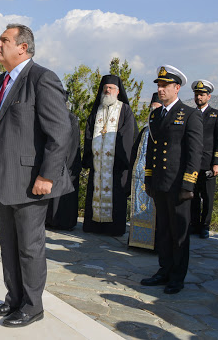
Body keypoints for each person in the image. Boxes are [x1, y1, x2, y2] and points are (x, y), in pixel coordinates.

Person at [0, 24, 73, 327]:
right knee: (8, 243)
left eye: (4, 40)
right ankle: (15, 299)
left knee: (30, 247)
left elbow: (60, 133)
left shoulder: (41, 78)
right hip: (4, 177)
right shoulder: (2, 80)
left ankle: (33, 306)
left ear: (23, 47)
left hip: (31, 180)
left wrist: (47, 175)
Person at [141, 65, 203, 294]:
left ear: (177, 88)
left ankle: (177, 276)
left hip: (178, 184)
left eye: (165, 85)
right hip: (159, 182)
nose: (160, 89)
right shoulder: (156, 114)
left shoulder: (190, 115)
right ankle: (164, 269)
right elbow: (151, 149)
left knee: (179, 233)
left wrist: (188, 184)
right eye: (158, 85)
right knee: (163, 230)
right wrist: (148, 178)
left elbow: (194, 153)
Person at [81, 75, 136, 236]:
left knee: (115, 196)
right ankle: (93, 225)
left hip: (115, 165)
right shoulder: (96, 110)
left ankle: (113, 228)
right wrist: (91, 156)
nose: (107, 90)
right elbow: (89, 134)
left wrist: (118, 158)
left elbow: (127, 134)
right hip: (98, 164)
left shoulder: (124, 109)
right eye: (105, 88)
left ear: (118, 91)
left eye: (111, 88)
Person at [190, 80, 218, 239]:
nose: (199, 97)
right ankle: (194, 224)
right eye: (197, 94)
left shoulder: (216, 114)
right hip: (192, 163)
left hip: (209, 164)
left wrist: (217, 163)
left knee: (208, 197)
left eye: (202, 94)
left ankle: (205, 225)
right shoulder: (191, 114)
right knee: (192, 196)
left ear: (208, 96)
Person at [128, 92, 162, 250]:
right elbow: (135, 153)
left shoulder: (166, 130)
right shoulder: (145, 131)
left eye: (157, 109)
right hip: (141, 178)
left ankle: (155, 244)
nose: (153, 112)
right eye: (151, 109)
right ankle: (137, 241)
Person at [46, 90, 82, 231]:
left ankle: (63, 222)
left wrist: (63, 162)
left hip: (67, 163)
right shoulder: (49, 117)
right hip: (53, 160)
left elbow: (73, 144)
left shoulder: (71, 119)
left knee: (63, 198)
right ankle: (49, 220)